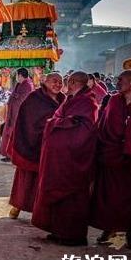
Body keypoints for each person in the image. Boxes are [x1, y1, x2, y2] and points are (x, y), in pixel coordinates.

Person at [32, 71, 99, 246]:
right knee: (59, 194)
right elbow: (59, 118)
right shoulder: (71, 100)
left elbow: (84, 130)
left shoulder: (88, 102)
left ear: (74, 83)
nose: (64, 86)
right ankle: (58, 231)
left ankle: (73, 236)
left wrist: (54, 123)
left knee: (72, 198)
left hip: (74, 158)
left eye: (66, 82)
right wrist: (57, 122)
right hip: (62, 157)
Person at [8, 73, 65, 219]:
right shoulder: (34, 98)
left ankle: (41, 210)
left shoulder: (63, 100)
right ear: (44, 82)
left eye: (61, 82)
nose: (58, 84)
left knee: (46, 179)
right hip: (32, 142)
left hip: (52, 145)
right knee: (26, 177)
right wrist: (44, 129)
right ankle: (18, 205)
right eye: (54, 81)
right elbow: (26, 120)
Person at [90, 70, 131, 245]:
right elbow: (103, 125)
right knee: (109, 196)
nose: (117, 83)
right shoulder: (114, 101)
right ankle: (109, 228)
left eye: (121, 80)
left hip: (130, 160)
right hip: (111, 155)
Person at [0, 68, 34, 162]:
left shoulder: (28, 85)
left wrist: (14, 97)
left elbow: (23, 99)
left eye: (17, 76)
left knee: (17, 134)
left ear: (20, 75)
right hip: (13, 113)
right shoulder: (20, 84)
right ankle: (9, 154)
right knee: (10, 134)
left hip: (19, 114)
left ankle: (14, 155)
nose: (17, 78)